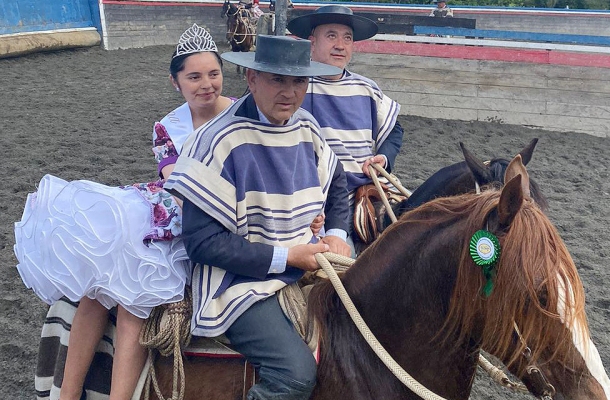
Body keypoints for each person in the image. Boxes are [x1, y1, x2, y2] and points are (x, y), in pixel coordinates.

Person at [16, 24, 234, 400]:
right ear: (175, 82)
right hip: (173, 209)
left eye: (213, 74)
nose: (206, 85)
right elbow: (177, 182)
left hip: (213, 216)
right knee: (96, 288)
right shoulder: (168, 126)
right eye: (194, 76)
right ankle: (66, 393)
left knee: (133, 297)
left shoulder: (240, 115)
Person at [163, 35, 351, 400]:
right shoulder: (216, 140)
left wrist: (340, 232)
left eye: (299, 81)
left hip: (309, 258)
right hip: (238, 283)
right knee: (294, 375)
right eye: (277, 79)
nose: (290, 92)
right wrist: (287, 256)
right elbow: (203, 244)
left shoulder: (306, 125)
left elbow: (337, 180)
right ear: (251, 78)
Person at [287, 5, 404, 247]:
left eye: (347, 38)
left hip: (362, 194)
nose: (340, 45)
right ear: (311, 43)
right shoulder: (293, 86)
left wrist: (384, 157)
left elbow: (394, 129)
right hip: (311, 198)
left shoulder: (367, 89)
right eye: (331, 36)